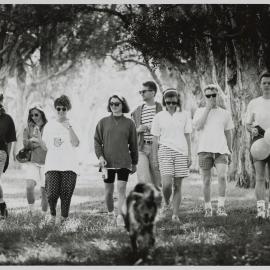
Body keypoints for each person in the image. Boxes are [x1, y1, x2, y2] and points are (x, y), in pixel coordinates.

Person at [94, 94, 138, 227]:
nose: (114, 106)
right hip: (107, 164)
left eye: (117, 104)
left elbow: (134, 144)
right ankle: (110, 213)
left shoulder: (130, 123)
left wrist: (134, 162)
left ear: (122, 105)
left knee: (121, 189)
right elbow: (97, 142)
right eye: (111, 103)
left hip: (124, 161)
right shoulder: (102, 122)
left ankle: (120, 216)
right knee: (108, 192)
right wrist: (100, 157)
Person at [151, 88, 192, 223]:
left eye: (173, 102)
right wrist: (155, 157)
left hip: (181, 152)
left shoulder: (185, 115)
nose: (171, 105)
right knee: (167, 184)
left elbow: (187, 135)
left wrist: (189, 155)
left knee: (178, 185)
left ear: (177, 101)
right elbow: (155, 139)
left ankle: (175, 215)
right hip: (165, 150)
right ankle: (166, 202)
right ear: (164, 102)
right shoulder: (159, 116)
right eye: (168, 102)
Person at [193, 84, 234, 217]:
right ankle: (208, 208)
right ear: (205, 97)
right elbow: (198, 127)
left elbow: (228, 133)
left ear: (217, 96)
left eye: (213, 95)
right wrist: (208, 109)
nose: (211, 98)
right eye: (208, 96)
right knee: (206, 180)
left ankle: (221, 207)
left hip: (221, 150)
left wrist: (230, 150)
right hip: (204, 150)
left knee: (222, 177)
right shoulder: (199, 111)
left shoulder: (225, 113)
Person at [39, 95, 80, 225]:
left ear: (68, 109)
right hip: (52, 164)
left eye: (64, 109)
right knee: (51, 193)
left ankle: (64, 218)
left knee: (66, 193)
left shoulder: (73, 123)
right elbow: (45, 147)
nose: (61, 111)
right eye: (58, 109)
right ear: (55, 109)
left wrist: (69, 127)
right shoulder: (49, 125)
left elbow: (76, 143)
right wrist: (38, 139)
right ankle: (52, 215)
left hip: (69, 164)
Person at [246, 71, 270, 219]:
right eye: (264, 83)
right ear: (260, 85)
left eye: (269, 83)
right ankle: (261, 211)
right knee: (260, 177)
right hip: (258, 141)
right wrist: (251, 129)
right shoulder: (253, 103)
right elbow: (247, 125)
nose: (267, 85)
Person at [131, 81, 162, 190]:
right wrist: (138, 130)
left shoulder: (162, 109)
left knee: (158, 180)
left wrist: (155, 129)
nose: (142, 94)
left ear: (153, 92)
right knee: (144, 179)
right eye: (140, 92)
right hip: (141, 148)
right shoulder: (136, 111)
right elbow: (130, 133)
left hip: (157, 148)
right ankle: (148, 204)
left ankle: (161, 203)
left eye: (144, 91)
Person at [22, 104, 48, 214]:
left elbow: (48, 145)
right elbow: (25, 144)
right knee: (29, 187)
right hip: (33, 161)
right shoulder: (28, 128)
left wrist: (34, 140)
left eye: (36, 114)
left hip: (46, 162)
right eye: (31, 115)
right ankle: (31, 211)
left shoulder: (48, 127)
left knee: (44, 191)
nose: (34, 117)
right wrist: (38, 142)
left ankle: (44, 215)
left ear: (42, 114)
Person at [0, 93, 16, 218]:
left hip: (1, 153)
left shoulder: (7, 119)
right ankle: (2, 205)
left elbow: (10, 141)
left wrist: (8, 157)